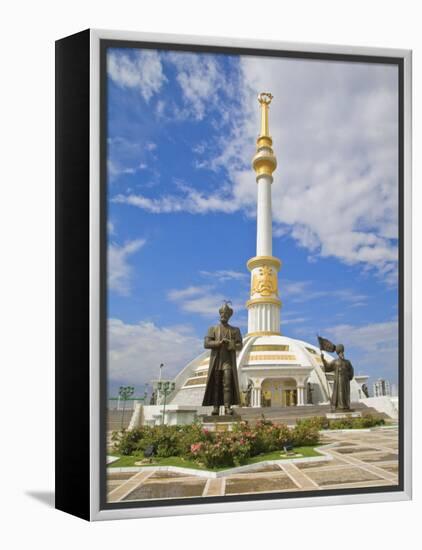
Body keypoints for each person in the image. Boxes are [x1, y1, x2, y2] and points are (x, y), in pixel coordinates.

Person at [202, 302, 243, 416]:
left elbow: (240, 345)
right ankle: (215, 408)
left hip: (227, 362)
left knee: (227, 384)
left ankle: (227, 407)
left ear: (229, 316)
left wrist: (230, 343)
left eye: (226, 314)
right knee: (216, 385)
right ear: (220, 314)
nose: (223, 315)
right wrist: (219, 343)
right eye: (222, 313)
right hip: (216, 361)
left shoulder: (235, 330)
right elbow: (206, 343)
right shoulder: (213, 329)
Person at [321, 344, 354, 411]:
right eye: (340, 353)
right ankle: (340, 407)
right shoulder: (335, 362)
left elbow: (351, 370)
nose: (342, 354)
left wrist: (349, 376)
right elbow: (327, 367)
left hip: (346, 380)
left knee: (346, 393)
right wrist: (323, 359)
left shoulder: (347, 362)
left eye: (342, 352)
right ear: (338, 353)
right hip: (338, 380)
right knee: (340, 393)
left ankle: (346, 406)